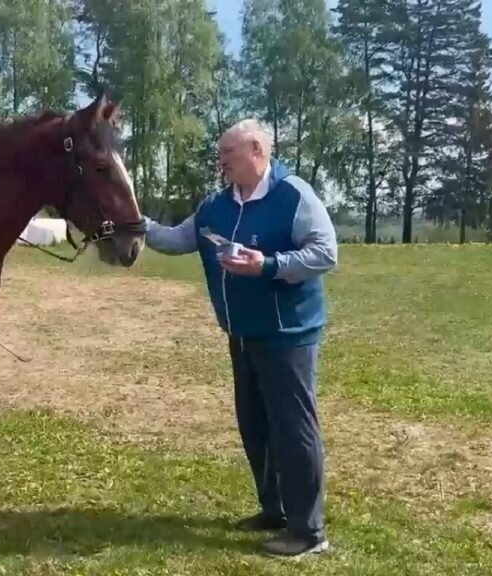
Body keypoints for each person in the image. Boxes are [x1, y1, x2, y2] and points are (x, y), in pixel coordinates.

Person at [141, 119, 337, 557]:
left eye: (227, 152)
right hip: (242, 333)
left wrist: (267, 265)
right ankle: (275, 510)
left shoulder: (294, 195)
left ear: (255, 150)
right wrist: (137, 224)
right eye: (220, 153)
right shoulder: (215, 205)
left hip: (288, 334)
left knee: (293, 430)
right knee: (256, 426)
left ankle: (308, 532)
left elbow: (325, 253)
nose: (221, 160)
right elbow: (177, 240)